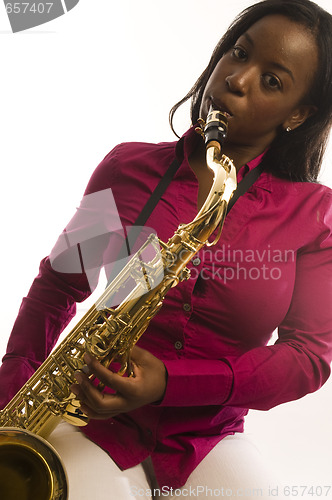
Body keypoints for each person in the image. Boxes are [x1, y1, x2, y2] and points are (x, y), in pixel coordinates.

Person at [1, 0, 332, 498]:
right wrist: (12, 403)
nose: (237, 80)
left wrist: (172, 383)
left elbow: (307, 357)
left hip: (206, 438)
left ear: (299, 114)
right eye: (239, 53)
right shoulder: (126, 169)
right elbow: (58, 286)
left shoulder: (314, 216)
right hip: (91, 418)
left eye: (272, 80)